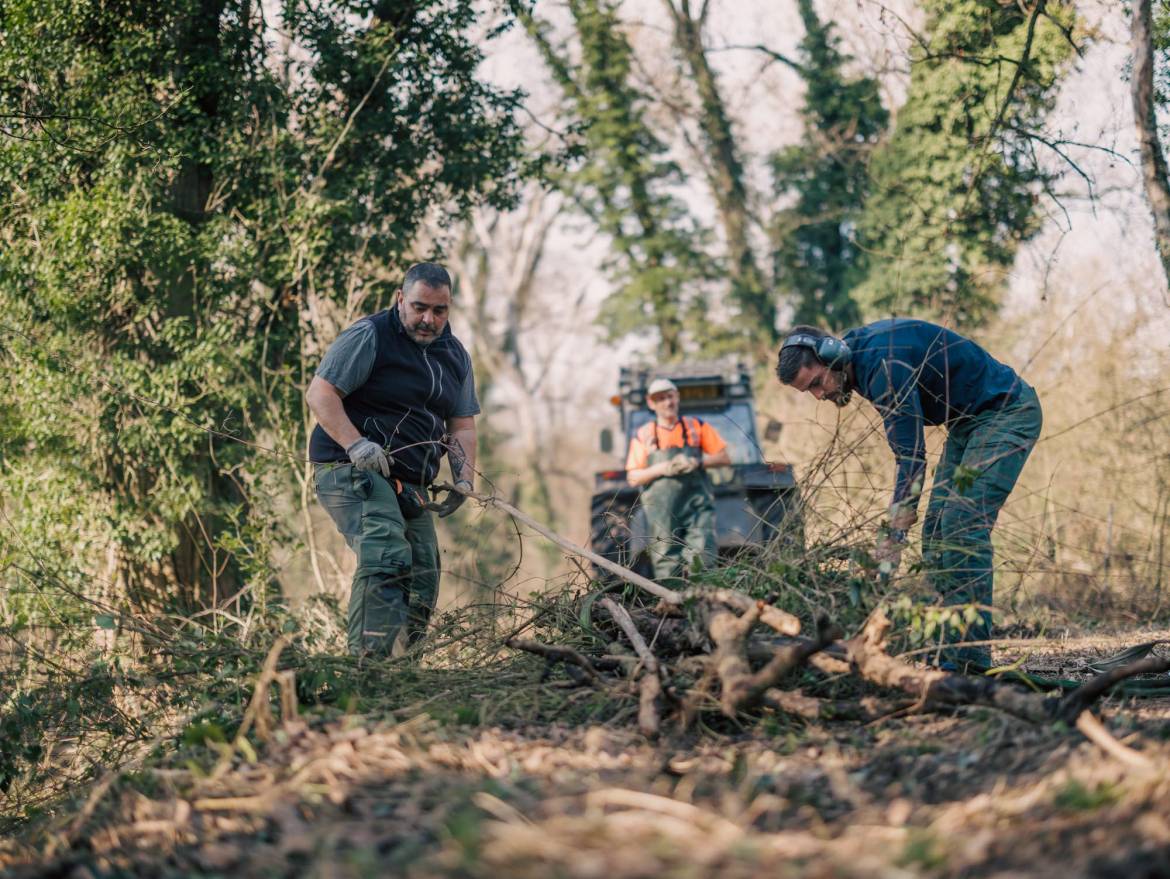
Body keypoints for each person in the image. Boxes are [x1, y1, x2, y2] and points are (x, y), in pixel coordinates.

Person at [776, 319, 1043, 671]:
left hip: (1005, 414)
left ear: (832, 356)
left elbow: (911, 459)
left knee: (962, 525)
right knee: (935, 534)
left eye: (816, 383)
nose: (820, 395)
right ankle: (949, 650)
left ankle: (973, 659)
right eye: (808, 391)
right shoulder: (858, 355)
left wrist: (893, 537)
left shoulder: (883, 368)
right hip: (967, 425)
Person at [306, 262, 478, 658]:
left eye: (439, 311)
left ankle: (400, 676)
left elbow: (462, 425)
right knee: (386, 553)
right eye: (419, 307)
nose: (427, 319)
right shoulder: (370, 336)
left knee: (422, 573)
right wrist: (356, 444)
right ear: (401, 298)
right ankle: (368, 671)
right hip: (348, 468)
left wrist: (463, 480)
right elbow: (320, 394)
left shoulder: (456, 356)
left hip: (410, 483)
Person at [625, 378, 732, 583]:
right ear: (651, 403)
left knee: (702, 553)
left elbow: (724, 457)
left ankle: (705, 599)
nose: (667, 402)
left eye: (670, 396)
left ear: (677, 397)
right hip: (662, 510)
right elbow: (633, 477)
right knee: (666, 556)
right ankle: (671, 603)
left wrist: (696, 462)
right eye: (661, 399)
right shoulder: (644, 434)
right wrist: (662, 468)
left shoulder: (696, 426)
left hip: (696, 504)